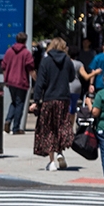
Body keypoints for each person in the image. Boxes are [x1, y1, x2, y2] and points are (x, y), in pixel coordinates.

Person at [29, 37, 75, 171]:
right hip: (63, 98)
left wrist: (36, 101)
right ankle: (60, 152)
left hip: (49, 99)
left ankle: (52, 161)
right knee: (61, 126)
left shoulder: (46, 61)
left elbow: (40, 83)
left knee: (49, 128)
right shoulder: (67, 60)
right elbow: (72, 77)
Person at [0, 31, 36, 135]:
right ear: (25, 41)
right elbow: (31, 69)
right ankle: (16, 128)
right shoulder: (26, 53)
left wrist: (5, 79)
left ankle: (8, 120)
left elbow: (4, 66)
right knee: (20, 104)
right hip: (22, 82)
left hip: (11, 81)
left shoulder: (9, 51)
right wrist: (36, 81)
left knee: (14, 102)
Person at [67, 46, 84, 128]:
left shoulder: (65, 62)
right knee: (73, 107)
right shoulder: (79, 64)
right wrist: (95, 73)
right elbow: (86, 76)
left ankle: (65, 126)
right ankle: (70, 126)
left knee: (65, 106)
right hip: (76, 86)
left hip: (66, 86)